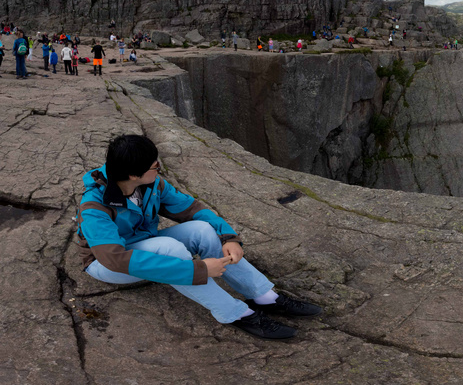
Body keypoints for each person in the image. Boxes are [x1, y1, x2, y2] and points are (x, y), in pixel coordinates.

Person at [76, 135, 323, 340]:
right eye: (155, 166)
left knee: (203, 230)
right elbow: (114, 258)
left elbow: (193, 209)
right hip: (107, 264)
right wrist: (199, 269)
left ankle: (264, 296)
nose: (158, 168)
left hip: (142, 244)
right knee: (170, 248)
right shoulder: (94, 205)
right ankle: (235, 313)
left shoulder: (151, 185)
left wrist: (229, 237)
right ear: (132, 174)